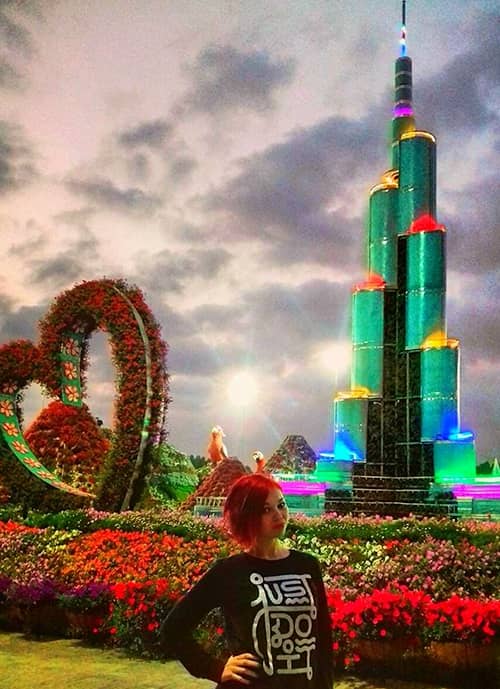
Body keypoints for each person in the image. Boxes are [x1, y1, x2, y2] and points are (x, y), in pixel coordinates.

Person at [160, 473, 334, 688]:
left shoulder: (307, 566)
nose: (279, 515)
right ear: (246, 516)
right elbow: (174, 628)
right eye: (266, 510)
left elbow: (323, 639)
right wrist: (214, 668)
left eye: (281, 505)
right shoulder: (229, 572)